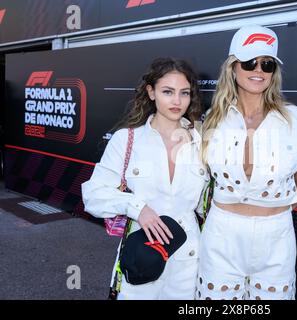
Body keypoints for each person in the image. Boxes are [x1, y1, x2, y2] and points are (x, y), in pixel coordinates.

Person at [197, 25, 297, 300]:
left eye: (267, 64)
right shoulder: (212, 119)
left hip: (276, 236)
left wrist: (270, 209)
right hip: (222, 234)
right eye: (249, 63)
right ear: (233, 68)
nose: (258, 70)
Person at [81, 57, 208, 300]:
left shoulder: (202, 142)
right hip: (142, 257)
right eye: (167, 92)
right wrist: (137, 208)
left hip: (189, 262)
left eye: (184, 93)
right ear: (151, 92)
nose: (176, 101)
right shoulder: (127, 140)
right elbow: (93, 195)